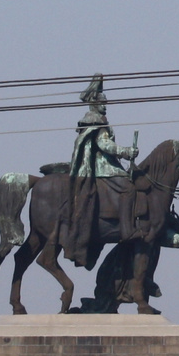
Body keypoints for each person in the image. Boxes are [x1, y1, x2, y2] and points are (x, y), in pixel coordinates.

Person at [62, 73, 140, 270]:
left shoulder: (98, 119)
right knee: (129, 188)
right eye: (103, 102)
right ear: (94, 103)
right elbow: (104, 144)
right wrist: (126, 152)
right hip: (101, 168)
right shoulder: (95, 120)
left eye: (106, 102)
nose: (106, 105)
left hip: (106, 165)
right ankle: (127, 230)